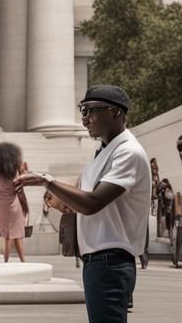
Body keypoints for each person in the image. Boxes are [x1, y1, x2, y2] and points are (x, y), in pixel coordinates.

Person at [16, 85, 151, 323]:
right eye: (83, 111)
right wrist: (59, 199)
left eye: (91, 111)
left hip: (110, 261)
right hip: (99, 260)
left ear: (116, 112)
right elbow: (84, 202)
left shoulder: (128, 152)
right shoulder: (104, 151)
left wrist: (46, 180)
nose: (85, 119)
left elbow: (93, 203)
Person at [0, 141, 30, 263]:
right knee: (18, 236)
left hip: (3, 208)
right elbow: (22, 182)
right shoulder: (15, 176)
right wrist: (23, 170)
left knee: (6, 237)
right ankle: (23, 261)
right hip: (15, 208)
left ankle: (5, 261)